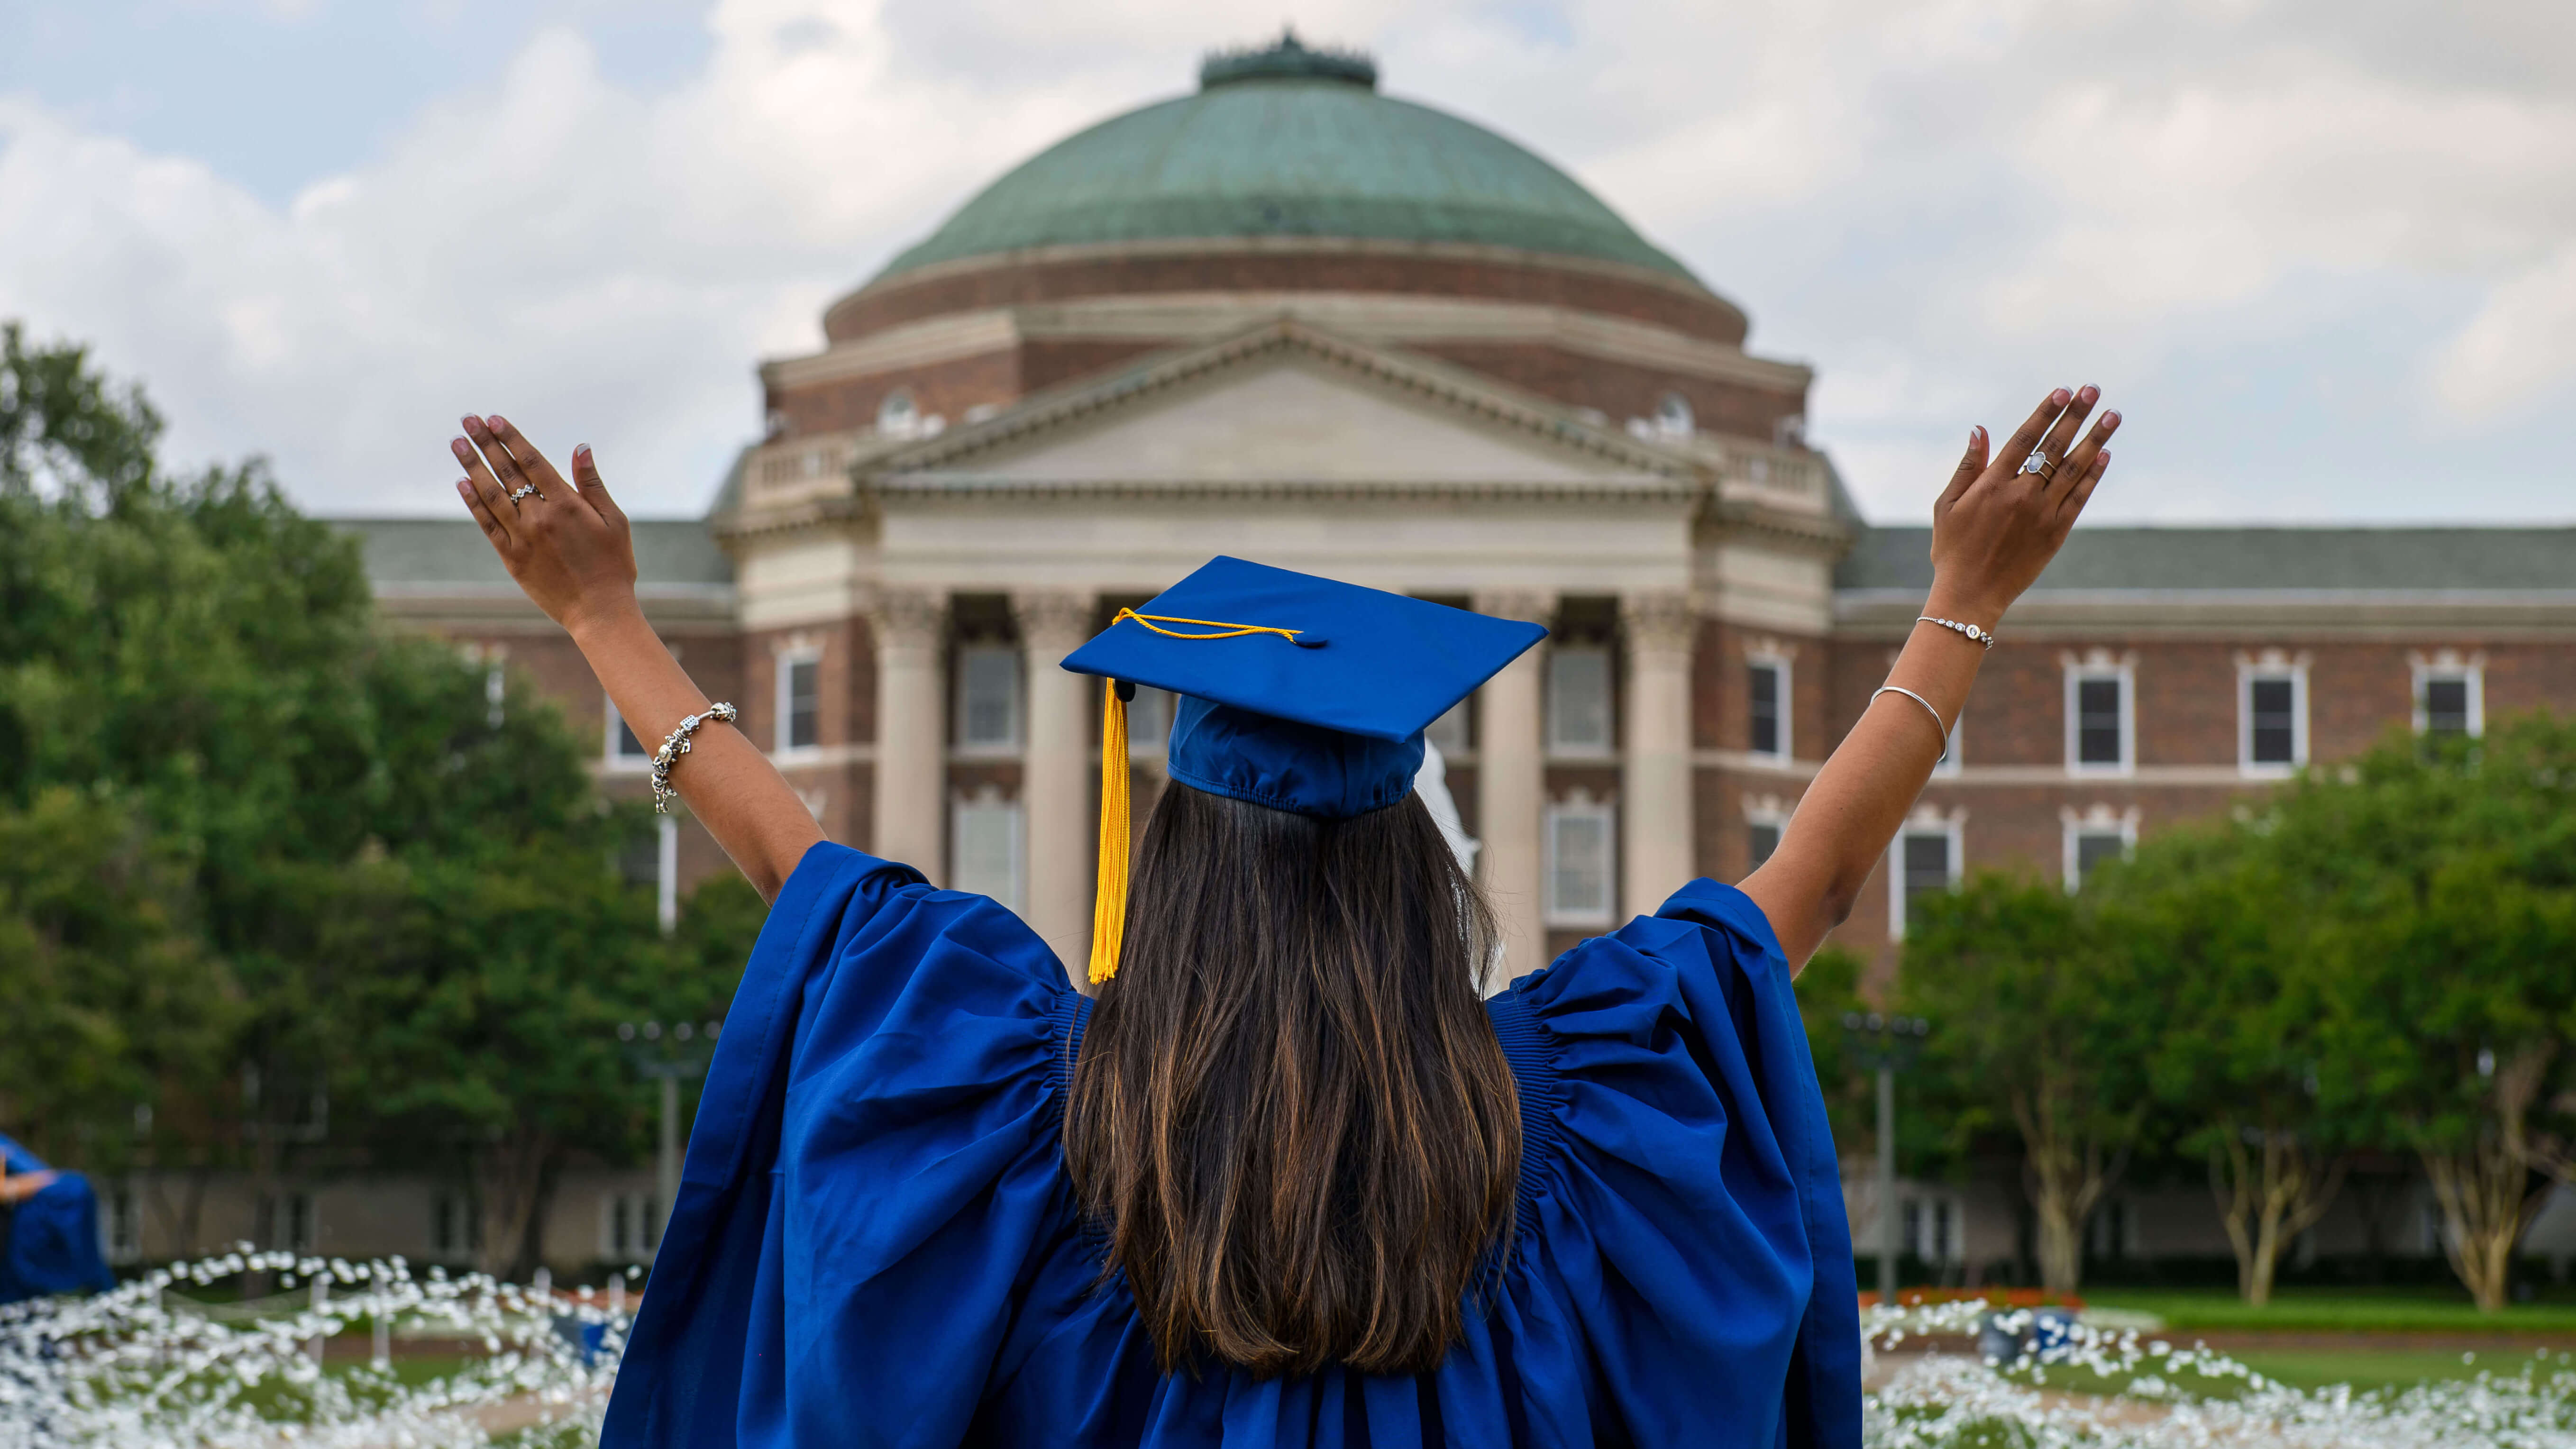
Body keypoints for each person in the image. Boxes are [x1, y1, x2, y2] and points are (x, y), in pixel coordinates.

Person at [444, 384, 2116, 1447]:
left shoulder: (1016, 1102)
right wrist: (1960, 605)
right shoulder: (1581, 1103)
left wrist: (601, 614)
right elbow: (1804, 888)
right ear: (1420, 864)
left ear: (1169, 854)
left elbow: (792, 865)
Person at [0, 1133, 116, 1304]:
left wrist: (12, 1188)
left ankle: (102, 1292)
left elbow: (43, 1176)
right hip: (17, 1256)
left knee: (73, 1191)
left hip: (19, 1248)